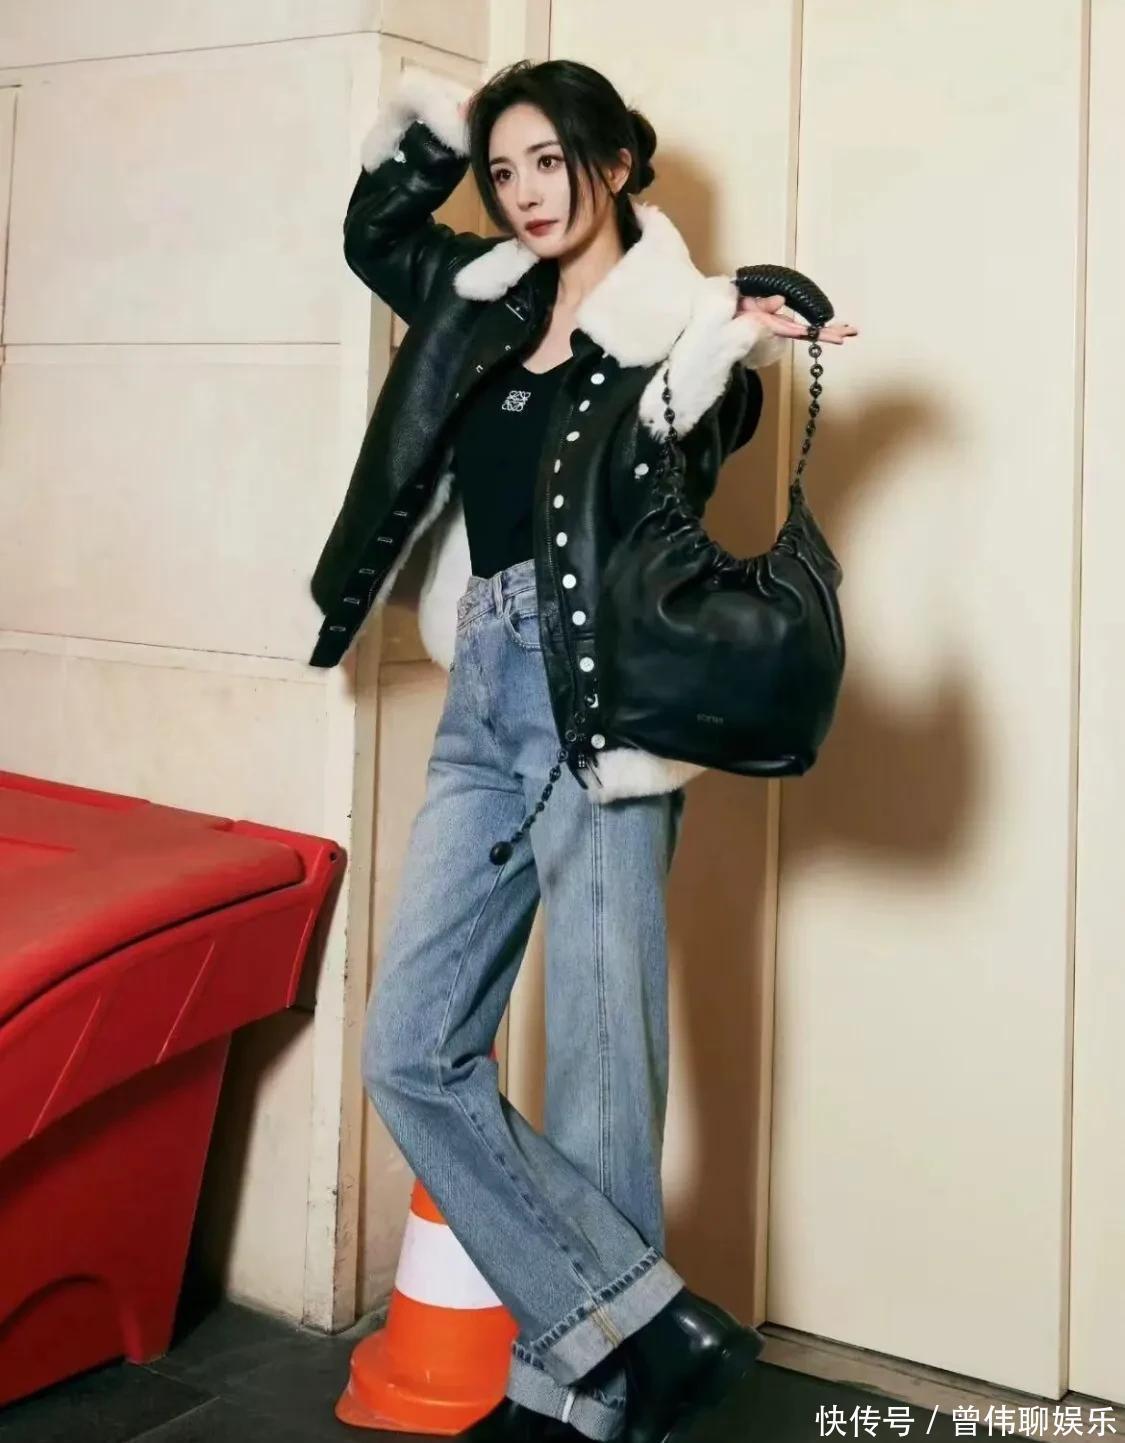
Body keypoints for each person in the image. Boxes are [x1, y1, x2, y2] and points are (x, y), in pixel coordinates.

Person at [308, 56, 858, 1443]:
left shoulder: (681, 326)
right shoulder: (478, 296)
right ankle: (645, 1327)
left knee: (603, 1068)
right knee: (411, 1049)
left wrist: (729, 339)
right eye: (504, 171)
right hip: (480, 692)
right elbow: (375, 231)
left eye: (550, 161)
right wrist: (449, 122)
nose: (524, 194)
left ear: (613, 162)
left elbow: (687, 451)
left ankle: (580, 1404)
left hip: (594, 702)